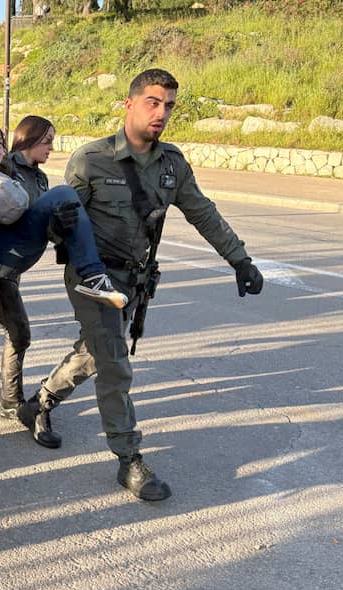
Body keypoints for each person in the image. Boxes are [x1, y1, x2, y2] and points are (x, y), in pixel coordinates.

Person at [19, 69, 264, 501]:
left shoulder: (172, 164)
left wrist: (240, 260)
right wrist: (60, 225)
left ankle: (39, 402)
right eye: (153, 102)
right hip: (92, 279)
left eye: (169, 104)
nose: (162, 112)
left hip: (135, 280)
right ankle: (128, 459)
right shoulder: (91, 159)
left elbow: (202, 213)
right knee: (115, 364)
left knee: (96, 354)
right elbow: (56, 225)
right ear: (129, 104)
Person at [0, 119, 126, 422]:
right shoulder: (2, 166)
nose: (51, 147)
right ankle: (10, 402)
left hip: (14, 266)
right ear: (30, 138)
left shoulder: (39, 180)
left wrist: (59, 226)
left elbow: (41, 231)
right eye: (47, 140)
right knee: (19, 333)